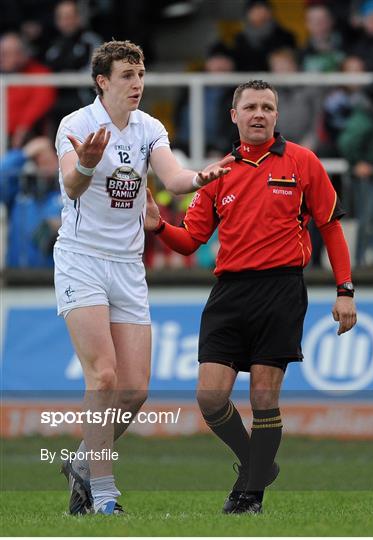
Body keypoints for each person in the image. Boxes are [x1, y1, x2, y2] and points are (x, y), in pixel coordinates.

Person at [144, 80, 357, 515]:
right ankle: (256, 464)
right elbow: (191, 242)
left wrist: (345, 290)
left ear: (276, 116)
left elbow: (331, 226)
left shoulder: (303, 162)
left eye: (267, 107)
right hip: (229, 292)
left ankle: (250, 492)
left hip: (281, 289)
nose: (259, 114)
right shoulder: (217, 172)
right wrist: (159, 227)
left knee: (264, 398)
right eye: (251, 107)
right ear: (235, 115)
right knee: (209, 398)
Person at [55, 39, 234, 516]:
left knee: (134, 391)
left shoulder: (149, 126)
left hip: (129, 264)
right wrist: (89, 163)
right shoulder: (76, 125)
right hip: (81, 258)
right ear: (102, 81)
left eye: (141, 75)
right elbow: (72, 182)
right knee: (105, 375)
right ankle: (104, 491)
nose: (137, 84)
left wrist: (202, 177)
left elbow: (172, 177)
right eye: (127, 76)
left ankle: (80, 462)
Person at [0, 136, 60, 268]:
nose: (44, 161)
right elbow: (2, 176)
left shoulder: (69, 193)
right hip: (17, 278)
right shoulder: (18, 193)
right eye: (39, 158)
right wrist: (24, 153)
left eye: (49, 156)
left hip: (53, 279)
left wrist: (62, 224)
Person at [338, 80, 373, 267]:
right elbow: (347, 142)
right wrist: (358, 163)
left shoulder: (365, 114)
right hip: (370, 176)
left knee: (371, 220)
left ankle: (363, 263)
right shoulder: (366, 116)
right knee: (369, 220)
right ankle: (361, 264)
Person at [0, 32, 57, 148]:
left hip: (25, 137)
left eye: (9, 54)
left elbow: (42, 101)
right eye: (3, 54)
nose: (4, 58)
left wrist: (23, 126)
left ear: (23, 53)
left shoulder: (39, 73)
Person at [231, 0, 296, 72]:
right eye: (256, 9)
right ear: (248, 14)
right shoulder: (240, 39)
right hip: (246, 81)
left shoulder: (285, 36)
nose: (261, 13)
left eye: (264, 8)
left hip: (276, 81)